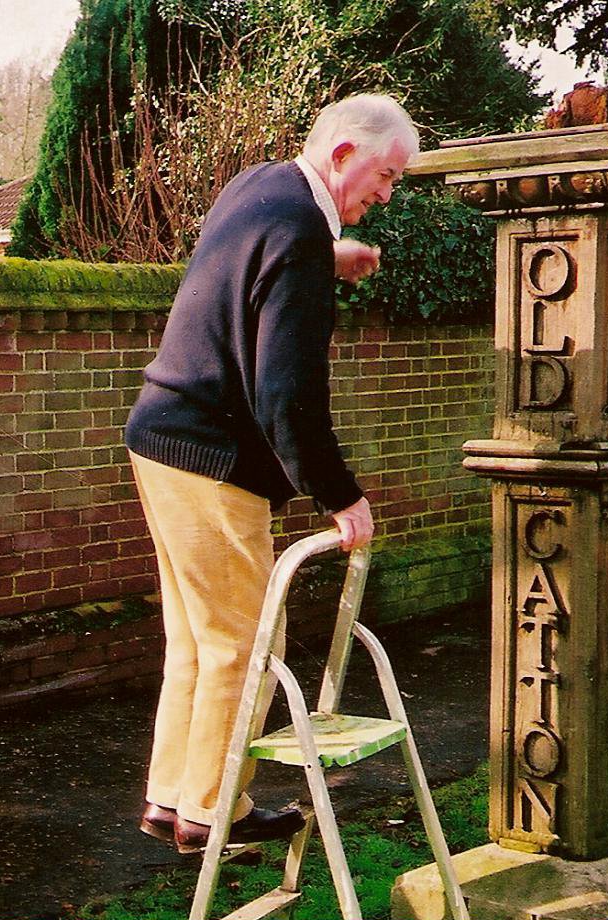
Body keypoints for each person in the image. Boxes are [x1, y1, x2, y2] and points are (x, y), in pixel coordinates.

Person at [125, 95, 418, 853]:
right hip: (211, 459)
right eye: (385, 176)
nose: (387, 196)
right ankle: (212, 808)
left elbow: (245, 265)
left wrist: (329, 255)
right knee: (247, 640)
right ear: (345, 153)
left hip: (160, 436)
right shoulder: (296, 230)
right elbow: (287, 394)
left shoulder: (260, 185)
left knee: (196, 639)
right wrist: (340, 495)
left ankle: (172, 798)